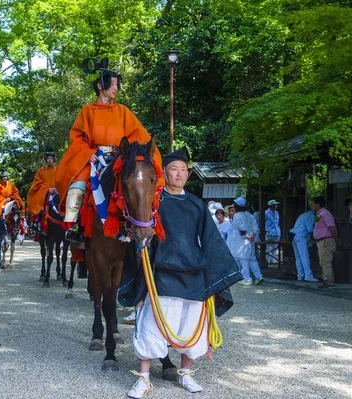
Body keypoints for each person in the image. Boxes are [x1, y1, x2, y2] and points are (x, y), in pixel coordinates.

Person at [126, 148, 241, 397]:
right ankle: (143, 378)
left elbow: (211, 240)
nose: (179, 174)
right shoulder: (154, 201)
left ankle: (185, 374)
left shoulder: (197, 204)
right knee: (151, 324)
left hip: (193, 273)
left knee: (192, 327)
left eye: (183, 170)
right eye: (174, 169)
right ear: (164, 173)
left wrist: (217, 275)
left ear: (188, 174)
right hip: (161, 273)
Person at [54, 64, 164, 239]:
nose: (116, 88)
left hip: (119, 157)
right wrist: (86, 153)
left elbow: (138, 135)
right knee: (78, 186)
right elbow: (77, 137)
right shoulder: (87, 111)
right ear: (100, 86)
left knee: (138, 184)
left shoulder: (123, 111)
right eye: (112, 83)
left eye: (116, 84)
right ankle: (74, 226)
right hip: (93, 157)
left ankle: (147, 225)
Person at [227, 197, 264, 286]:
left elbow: (242, 229)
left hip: (242, 242)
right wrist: (253, 236)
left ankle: (247, 279)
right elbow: (255, 227)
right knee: (252, 259)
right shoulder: (249, 215)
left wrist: (247, 237)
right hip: (250, 241)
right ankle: (259, 276)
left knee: (243, 260)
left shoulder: (237, 215)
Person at [311, 196, 340, 288]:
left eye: (313, 203)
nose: (312, 205)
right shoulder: (319, 214)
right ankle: (326, 279)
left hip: (326, 240)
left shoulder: (325, 214)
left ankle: (329, 281)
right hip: (321, 241)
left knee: (325, 261)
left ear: (317, 204)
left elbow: (331, 227)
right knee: (323, 261)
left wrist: (336, 238)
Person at [289, 210, 319, 282]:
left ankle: (300, 275)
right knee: (304, 256)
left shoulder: (303, 214)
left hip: (293, 235)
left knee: (298, 257)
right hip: (300, 236)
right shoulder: (311, 216)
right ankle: (308, 275)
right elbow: (310, 229)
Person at [27, 148, 57, 218]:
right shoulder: (41, 170)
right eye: (48, 158)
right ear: (46, 160)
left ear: (53, 160)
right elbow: (37, 183)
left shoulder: (57, 170)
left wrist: (57, 189)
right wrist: (48, 189)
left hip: (56, 193)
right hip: (44, 194)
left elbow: (61, 181)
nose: (50, 160)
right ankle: (38, 221)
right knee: (40, 210)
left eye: (51, 158)